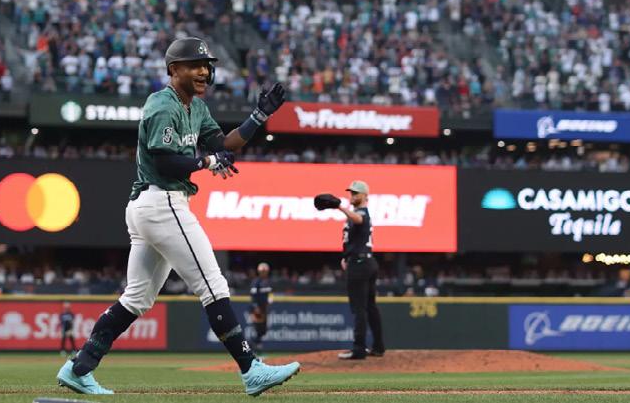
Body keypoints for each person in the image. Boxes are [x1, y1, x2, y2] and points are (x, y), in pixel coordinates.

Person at [56, 37, 300, 396]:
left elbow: (224, 144)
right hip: (162, 201)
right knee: (213, 285)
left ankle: (79, 367)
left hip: (153, 206)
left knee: (136, 299)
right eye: (194, 65)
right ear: (174, 70)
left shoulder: (195, 107)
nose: (203, 71)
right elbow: (164, 161)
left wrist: (258, 117)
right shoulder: (162, 103)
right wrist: (206, 161)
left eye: (206, 66)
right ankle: (251, 369)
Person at [337, 180, 385, 360]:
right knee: (370, 307)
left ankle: (359, 348)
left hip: (360, 264)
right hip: (365, 261)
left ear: (365, 196)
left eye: (356, 193)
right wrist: (346, 257)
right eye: (351, 193)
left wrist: (339, 207)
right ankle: (378, 346)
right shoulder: (357, 213)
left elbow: (359, 219)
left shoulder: (361, 212)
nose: (352, 195)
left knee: (359, 308)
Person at [249, 262, 273, 352]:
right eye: (262, 271)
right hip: (257, 309)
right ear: (259, 271)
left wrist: (269, 299)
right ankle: (252, 346)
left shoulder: (268, 281)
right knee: (258, 328)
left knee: (263, 330)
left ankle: (254, 345)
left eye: (265, 271)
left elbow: (270, 293)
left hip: (264, 308)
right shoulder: (256, 281)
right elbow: (253, 296)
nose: (264, 272)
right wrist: (256, 307)